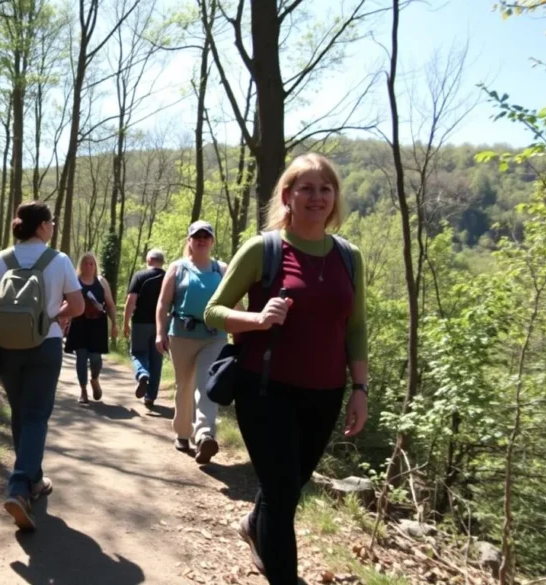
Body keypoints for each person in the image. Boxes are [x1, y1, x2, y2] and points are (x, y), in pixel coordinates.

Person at [204, 153, 369, 585]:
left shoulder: (350, 257)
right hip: (265, 388)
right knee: (281, 496)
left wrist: (360, 389)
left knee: (290, 487)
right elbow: (213, 312)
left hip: (326, 392)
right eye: (306, 188)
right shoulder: (265, 249)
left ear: (335, 198)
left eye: (325, 188)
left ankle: (254, 526)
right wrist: (257, 319)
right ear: (287, 196)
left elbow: (356, 328)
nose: (317, 197)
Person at [0, 201, 84, 531]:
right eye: (50, 221)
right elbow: (77, 306)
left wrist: (6, 306)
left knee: (21, 413)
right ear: (40, 226)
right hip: (46, 344)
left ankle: (34, 480)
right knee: (36, 415)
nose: (53, 226)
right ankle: (19, 487)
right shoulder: (59, 260)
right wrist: (54, 314)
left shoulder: (1, 259)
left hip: (8, 346)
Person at [155, 220, 228, 464]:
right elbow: (164, 304)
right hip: (181, 335)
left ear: (212, 241)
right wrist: (160, 332)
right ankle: (182, 433)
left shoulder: (222, 269)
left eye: (206, 236)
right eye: (197, 236)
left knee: (206, 385)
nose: (201, 239)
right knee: (184, 386)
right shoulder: (178, 268)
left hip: (214, 336)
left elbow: (234, 303)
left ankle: (205, 435)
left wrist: (243, 331)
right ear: (189, 240)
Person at [64, 252, 118, 404]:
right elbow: (67, 303)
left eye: (92, 263)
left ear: (95, 266)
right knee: (81, 358)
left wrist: (114, 323)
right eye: (86, 263)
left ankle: (94, 378)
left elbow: (111, 305)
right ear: (81, 266)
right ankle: (83, 390)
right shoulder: (75, 281)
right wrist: (64, 322)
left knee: (95, 358)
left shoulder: (101, 282)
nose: (89, 266)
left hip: (97, 326)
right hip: (79, 324)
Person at [123, 249, 166, 409]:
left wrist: (125, 322)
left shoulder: (140, 276)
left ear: (148, 260)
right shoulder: (168, 277)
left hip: (140, 322)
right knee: (157, 359)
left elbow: (131, 300)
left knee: (138, 353)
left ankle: (142, 373)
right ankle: (150, 397)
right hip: (161, 324)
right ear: (162, 262)